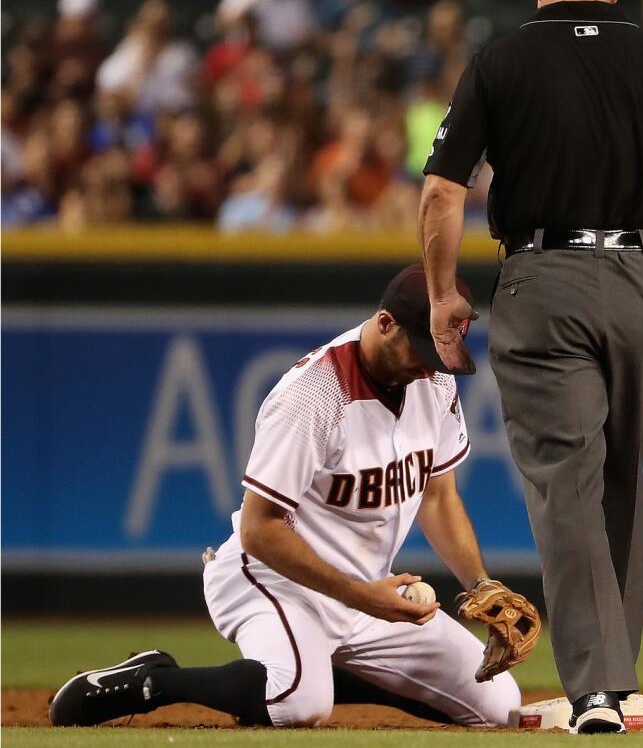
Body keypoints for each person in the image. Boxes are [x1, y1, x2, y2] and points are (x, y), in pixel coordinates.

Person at [416, 0, 643, 733]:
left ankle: (596, 689)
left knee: (568, 480)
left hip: (544, 276)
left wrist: (438, 295)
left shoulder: (500, 61)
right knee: (620, 478)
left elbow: (439, 192)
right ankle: (615, 680)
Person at [49, 266, 527, 729]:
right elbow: (261, 528)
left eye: (439, 354)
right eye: (422, 350)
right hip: (274, 581)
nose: (429, 367)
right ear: (385, 323)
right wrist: (362, 597)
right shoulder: (314, 395)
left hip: (365, 591)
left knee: (499, 703)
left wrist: (481, 583)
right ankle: (156, 681)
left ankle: (319, 668)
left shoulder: (434, 378)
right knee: (299, 705)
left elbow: (438, 498)